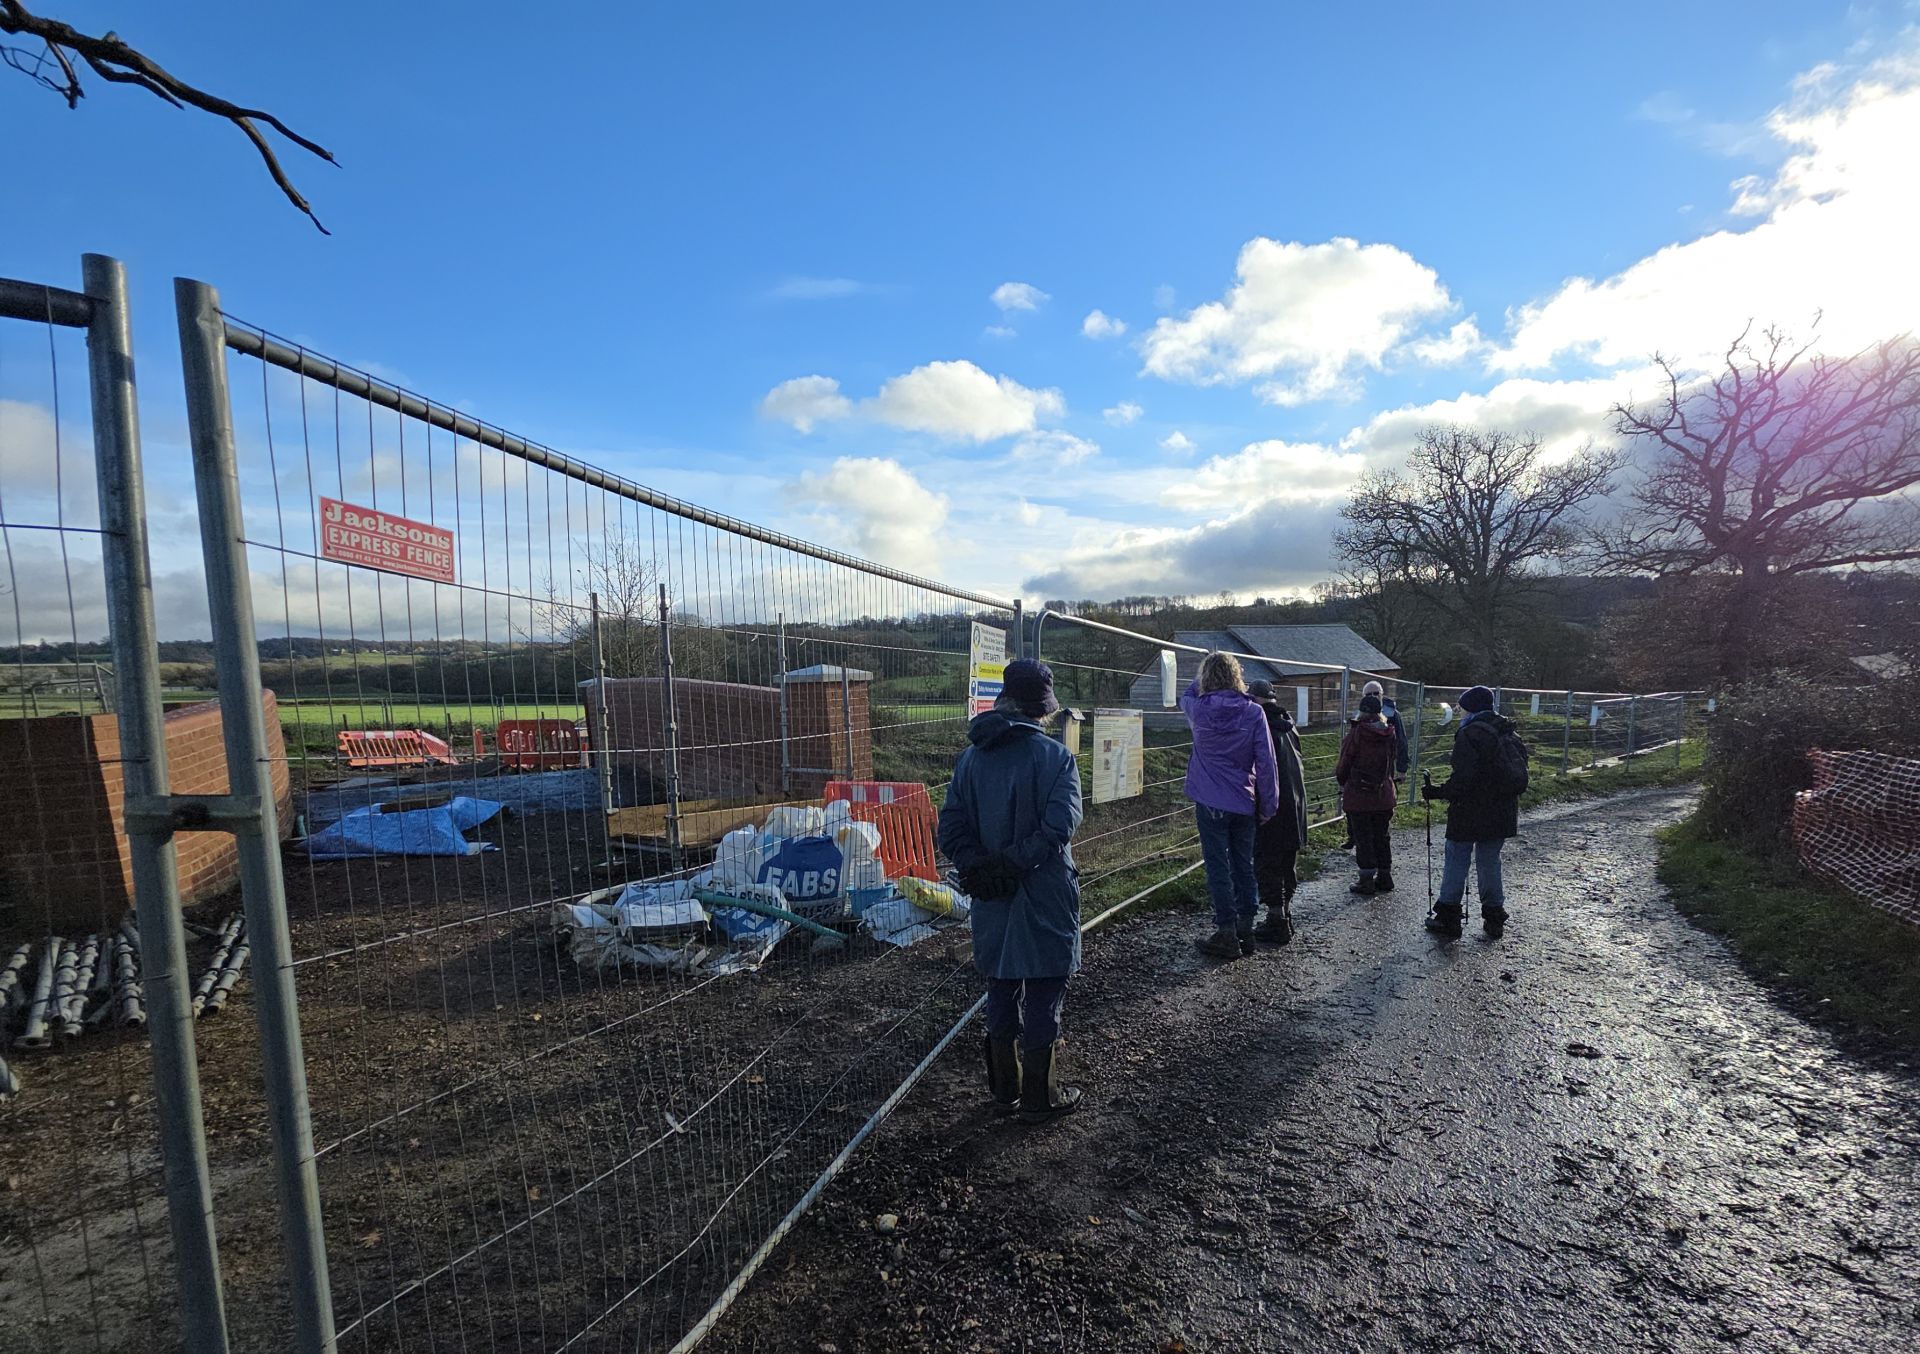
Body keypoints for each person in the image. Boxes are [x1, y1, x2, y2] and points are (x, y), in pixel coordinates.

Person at [938, 658, 1085, 1123]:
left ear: (1004, 700)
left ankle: (1005, 1088)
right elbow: (1061, 825)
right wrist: (1016, 862)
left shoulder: (971, 758)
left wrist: (979, 866)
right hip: (1045, 888)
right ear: (1040, 708)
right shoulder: (1057, 758)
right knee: (1045, 985)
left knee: (1000, 983)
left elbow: (952, 826)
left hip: (990, 892)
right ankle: (1043, 1095)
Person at [1181, 652, 1281, 959]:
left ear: (1206, 679)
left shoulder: (1197, 709)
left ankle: (1225, 931)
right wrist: (1269, 805)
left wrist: (1206, 677)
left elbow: (1186, 693)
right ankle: (1245, 928)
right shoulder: (1253, 713)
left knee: (1217, 866)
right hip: (1243, 799)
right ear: (1238, 677)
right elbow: (1266, 763)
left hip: (1209, 799)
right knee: (1243, 864)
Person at [1421, 684, 1523, 938]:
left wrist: (1437, 792)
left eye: (1462, 708)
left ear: (1471, 708)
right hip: (1501, 809)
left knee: (1457, 857)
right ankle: (1494, 916)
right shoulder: (1508, 733)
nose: (1460, 713)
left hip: (1469, 810)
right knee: (1490, 861)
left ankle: (1448, 915)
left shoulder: (1470, 734)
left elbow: (1464, 779)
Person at [1247, 680, 1308, 943]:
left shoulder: (1261, 725)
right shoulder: (1288, 724)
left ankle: (1276, 920)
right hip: (1296, 800)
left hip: (1272, 802)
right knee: (1287, 860)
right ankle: (1285, 913)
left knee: (1267, 859)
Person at [1336, 692, 1399, 896]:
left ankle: (1366, 880)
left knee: (1363, 837)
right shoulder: (1390, 732)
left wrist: (1342, 780)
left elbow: (1344, 764)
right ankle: (1385, 876)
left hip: (1359, 794)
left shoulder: (1357, 733)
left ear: (1362, 711)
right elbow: (1393, 760)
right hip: (1384, 793)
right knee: (1382, 835)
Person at [1362, 679, 1411, 779]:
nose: (1373, 697)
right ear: (1363, 697)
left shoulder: (1392, 714)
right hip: (1362, 767)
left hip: (1386, 766)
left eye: (1376, 693)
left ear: (1381, 694)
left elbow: (1401, 741)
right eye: (1368, 694)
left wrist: (1401, 769)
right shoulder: (1360, 716)